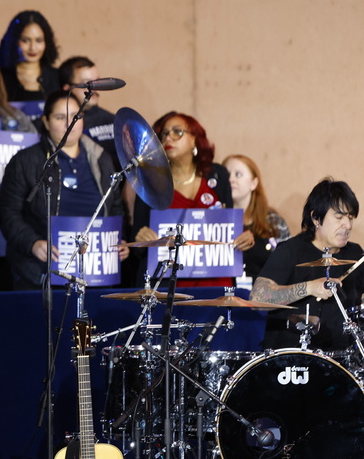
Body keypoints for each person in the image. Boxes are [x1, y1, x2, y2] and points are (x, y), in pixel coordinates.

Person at [0, 90, 125, 290]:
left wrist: (119, 241)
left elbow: (116, 208)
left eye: (76, 116)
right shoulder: (25, 161)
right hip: (41, 274)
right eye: (60, 117)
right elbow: (8, 213)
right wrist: (33, 243)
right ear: (46, 122)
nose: (70, 123)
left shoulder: (103, 159)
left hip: (95, 274)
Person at [250, 179, 364, 351]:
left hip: (342, 359)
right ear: (316, 218)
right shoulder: (290, 251)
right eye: (339, 217)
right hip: (291, 360)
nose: (347, 225)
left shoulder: (355, 254)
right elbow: (257, 299)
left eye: (350, 217)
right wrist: (309, 287)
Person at [132, 111, 237, 286]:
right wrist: (142, 239)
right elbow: (136, 238)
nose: (169, 138)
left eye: (177, 132)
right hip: (167, 282)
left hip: (214, 280)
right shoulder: (149, 182)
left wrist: (242, 238)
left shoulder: (218, 175)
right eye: (165, 134)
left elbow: (230, 227)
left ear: (195, 139)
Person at [223, 154, 291, 280]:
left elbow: (289, 263)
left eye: (238, 174)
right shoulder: (212, 218)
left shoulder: (274, 221)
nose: (230, 179)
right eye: (226, 175)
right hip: (221, 296)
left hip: (262, 295)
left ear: (253, 183)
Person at [0, 10, 60, 102]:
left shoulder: (58, 78)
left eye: (38, 40)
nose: (32, 48)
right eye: (25, 40)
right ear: (14, 42)